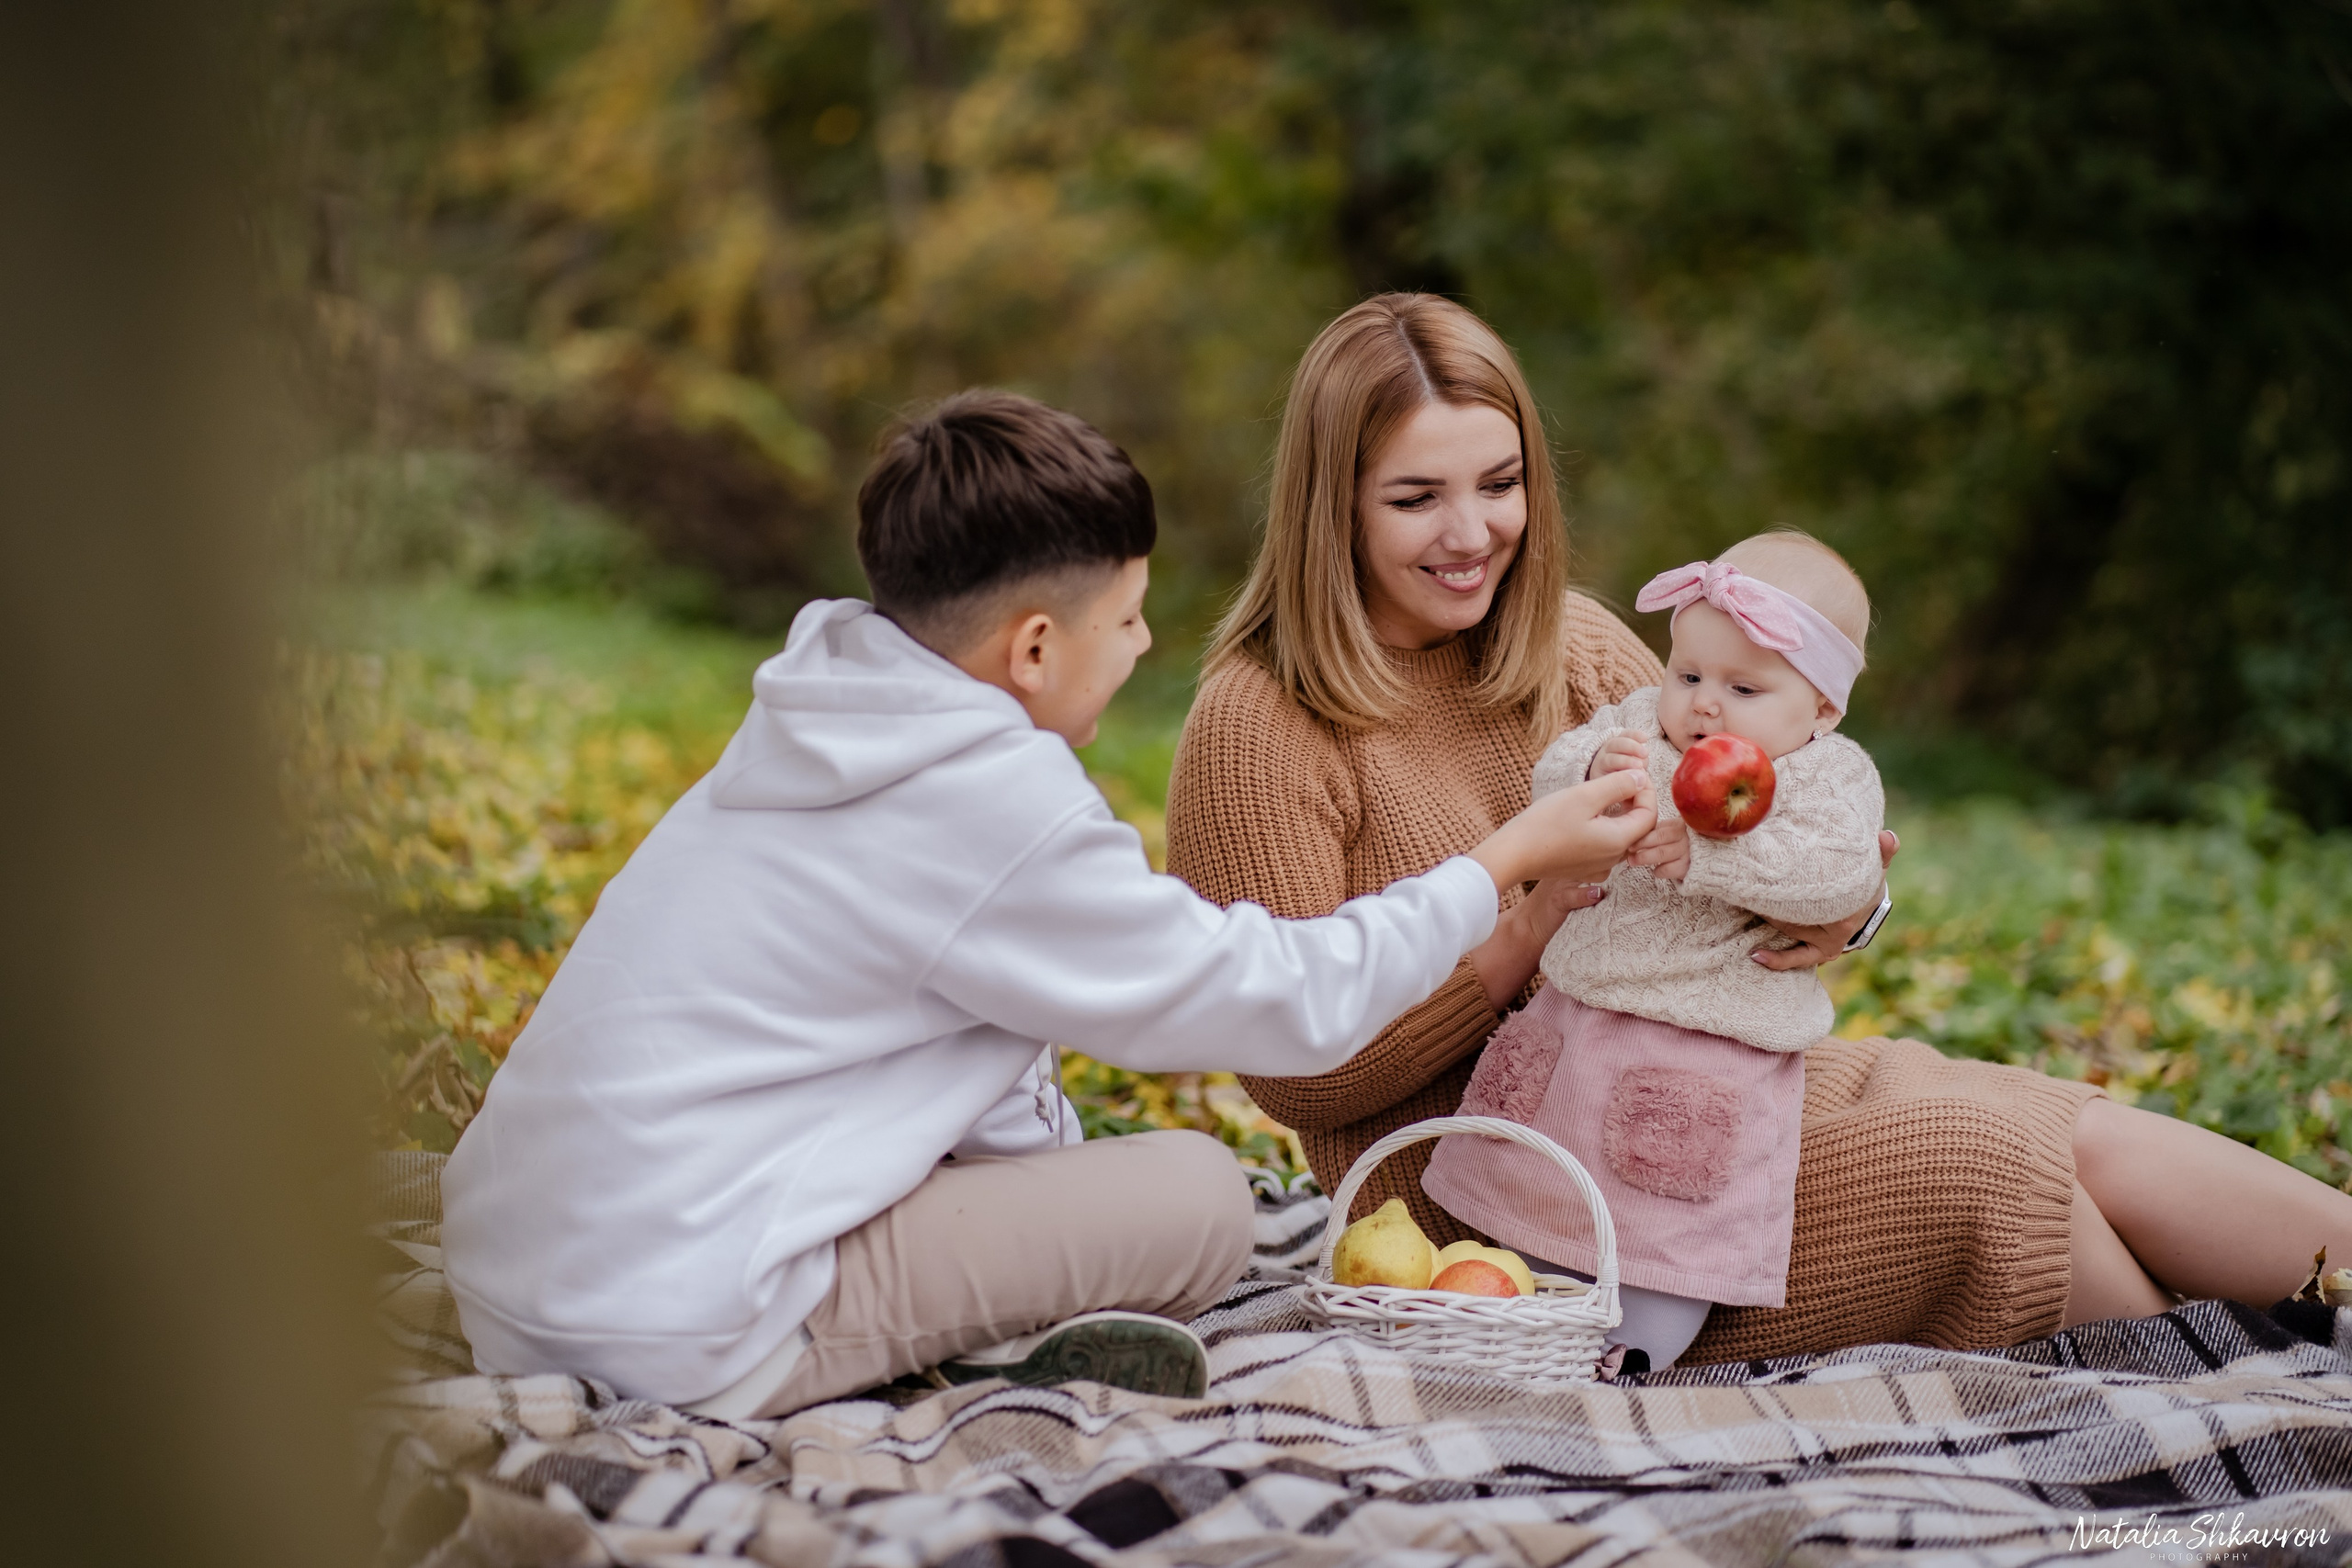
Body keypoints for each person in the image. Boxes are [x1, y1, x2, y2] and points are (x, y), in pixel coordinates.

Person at [1166, 292, 2352, 1364]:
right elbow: (1290, 1065)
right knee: (1978, 1170)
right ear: (1332, 504)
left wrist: (1846, 910)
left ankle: (2320, 1299)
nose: (1473, 531)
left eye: (1500, 481)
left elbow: (1751, 814)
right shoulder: (1263, 720)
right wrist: (1529, 914)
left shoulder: (1569, 645)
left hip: (1696, 1058)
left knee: (2018, 1108)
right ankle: (2234, 1382)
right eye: (1417, 497)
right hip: (1517, 1179)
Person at [439, 389, 1657, 1416]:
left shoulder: (835, 710)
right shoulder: (987, 803)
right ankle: (957, 1362)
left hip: (524, 1254)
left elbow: (992, 1067)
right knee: (1196, 1199)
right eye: (1124, 617)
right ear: (1031, 647)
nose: (1137, 645)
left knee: (1080, 1181)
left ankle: (996, 1323)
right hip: (670, 1317)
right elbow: (1281, 998)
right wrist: (1505, 864)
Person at [1422, 532, 1884, 1371]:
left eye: (1744, 686)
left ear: (1822, 708)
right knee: (1543, 1196)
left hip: (1710, 1055)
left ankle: (1639, 1347)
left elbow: (1839, 872)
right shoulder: (1639, 722)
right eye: (1689, 674)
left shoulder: (1832, 779)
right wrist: (1588, 766)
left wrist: (1713, 855)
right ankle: (1523, 1317)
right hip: (1580, 1028)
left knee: (1674, 1219)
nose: (1705, 704)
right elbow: (1552, 783)